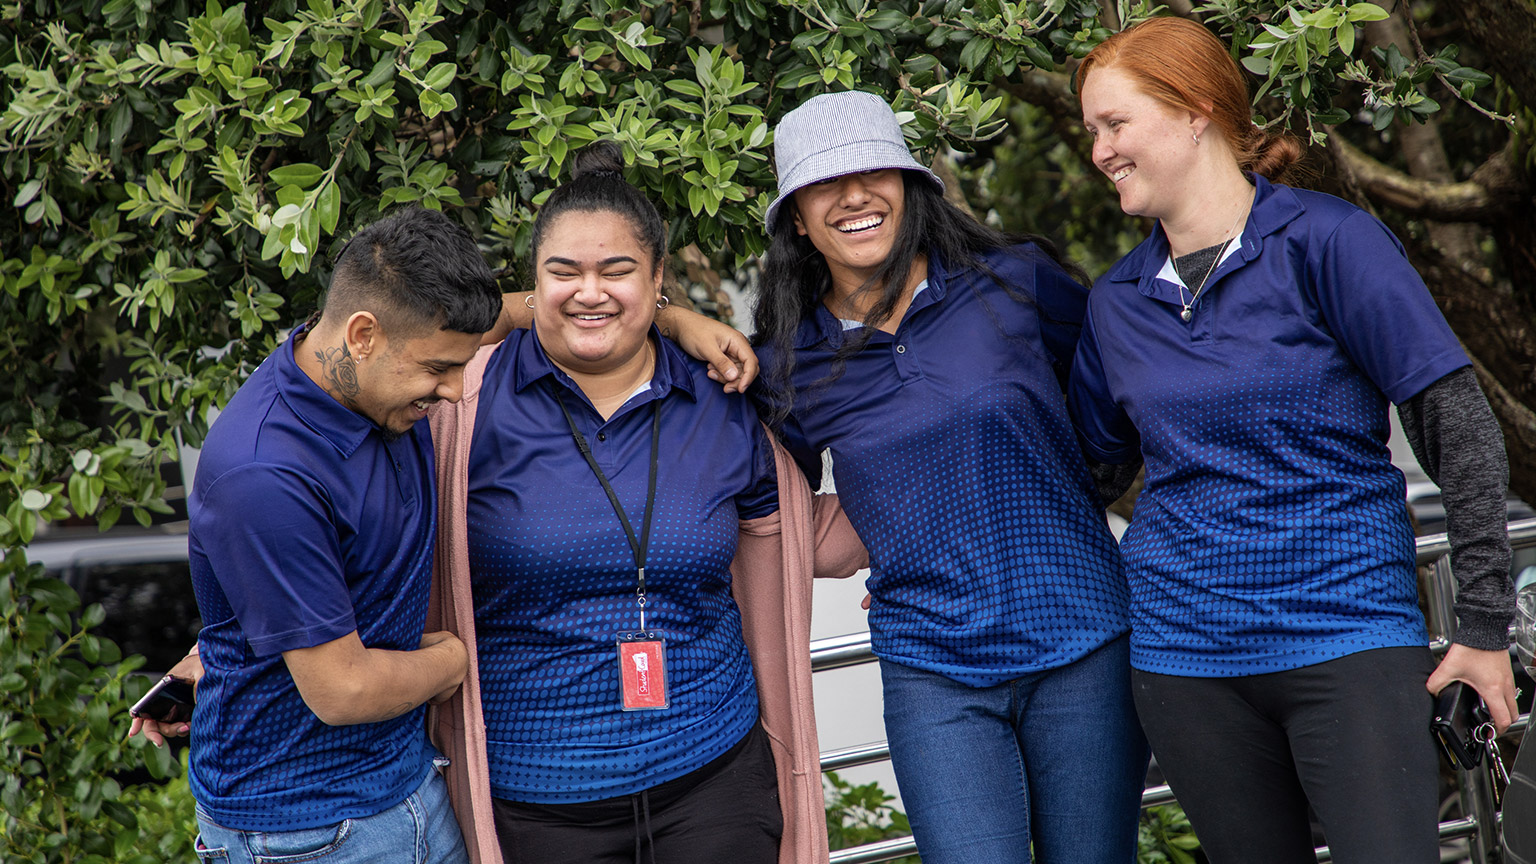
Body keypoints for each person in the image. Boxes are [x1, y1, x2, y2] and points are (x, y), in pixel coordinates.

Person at [1070, 17, 1518, 864]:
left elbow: (1455, 424)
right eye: (1091, 130)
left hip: (1348, 638)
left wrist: (1485, 623)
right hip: (1185, 662)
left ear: (1196, 111)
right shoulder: (1116, 303)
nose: (1099, 149)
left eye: (1115, 123)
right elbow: (1086, 472)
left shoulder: (1328, 241)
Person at [423, 141, 867, 864]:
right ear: (532, 284)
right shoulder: (460, 405)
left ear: (659, 281)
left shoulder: (719, 396)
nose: (589, 292)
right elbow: (350, 517)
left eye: (617, 272)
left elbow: (794, 531)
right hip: (538, 803)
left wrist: (930, 548)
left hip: (713, 780)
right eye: (562, 273)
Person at [750, 90, 1147, 864]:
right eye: (825, 183)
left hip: (1085, 646)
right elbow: (778, 505)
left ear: (911, 189)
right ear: (797, 219)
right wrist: (896, 531)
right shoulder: (789, 362)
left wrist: (1071, 498)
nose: (854, 194)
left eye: (874, 171)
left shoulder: (1015, 286)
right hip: (933, 670)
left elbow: (1123, 409)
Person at [164, 206, 503, 864]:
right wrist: (452, 662)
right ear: (363, 335)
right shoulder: (267, 472)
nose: (457, 390)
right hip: (305, 831)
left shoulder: (374, 376)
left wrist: (670, 314)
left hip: (406, 782)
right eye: (438, 368)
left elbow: (530, 311)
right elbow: (342, 690)